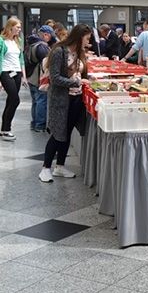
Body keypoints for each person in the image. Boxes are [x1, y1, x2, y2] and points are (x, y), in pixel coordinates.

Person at [38, 24, 92, 183]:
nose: (88, 42)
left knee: (66, 133)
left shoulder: (80, 53)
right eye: (87, 38)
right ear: (79, 36)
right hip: (61, 99)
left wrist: (87, 80)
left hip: (76, 99)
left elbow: (80, 73)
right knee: (57, 133)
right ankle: (45, 168)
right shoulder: (59, 51)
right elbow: (55, 78)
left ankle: (59, 166)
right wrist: (76, 82)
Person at [0, 17, 28, 141]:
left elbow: (21, 59)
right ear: (10, 27)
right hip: (5, 73)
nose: (19, 29)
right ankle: (7, 129)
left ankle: (4, 130)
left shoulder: (18, 40)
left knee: (10, 101)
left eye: (20, 27)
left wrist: (24, 76)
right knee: (15, 100)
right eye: (17, 27)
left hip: (17, 73)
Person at [26, 25, 55, 132]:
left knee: (35, 101)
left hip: (31, 77)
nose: (51, 38)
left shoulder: (31, 43)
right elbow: (47, 63)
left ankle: (34, 123)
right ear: (45, 35)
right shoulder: (42, 46)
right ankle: (40, 125)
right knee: (41, 101)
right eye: (50, 36)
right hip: (38, 77)